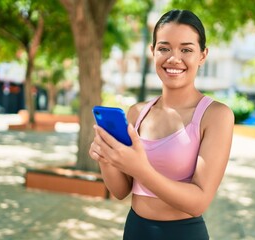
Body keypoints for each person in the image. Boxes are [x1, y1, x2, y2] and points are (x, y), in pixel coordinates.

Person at [89, 9, 234, 240]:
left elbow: (198, 202)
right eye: (164, 48)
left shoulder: (216, 115)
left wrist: (140, 169)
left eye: (186, 49)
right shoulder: (137, 112)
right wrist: (106, 160)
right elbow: (120, 191)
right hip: (135, 230)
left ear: (202, 56)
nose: (174, 58)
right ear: (152, 52)